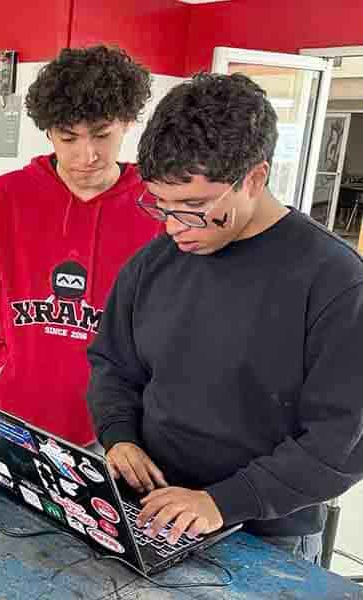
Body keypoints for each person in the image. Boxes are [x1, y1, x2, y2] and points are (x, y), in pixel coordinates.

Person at [87, 72, 363, 563]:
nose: (174, 227)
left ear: (254, 178)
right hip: (150, 507)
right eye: (161, 205)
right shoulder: (155, 262)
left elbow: (340, 441)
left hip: (264, 533)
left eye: (194, 206)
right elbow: (114, 367)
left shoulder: (335, 282)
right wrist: (119, 436)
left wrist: (222, 502)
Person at [0, 46, 162, 446]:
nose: (87, 154)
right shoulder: (9, 195)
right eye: (69, 138)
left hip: (114, 429)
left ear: (128, 123)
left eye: (102, 134)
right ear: (48, 132)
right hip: (9, 414)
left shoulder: (155, 206)